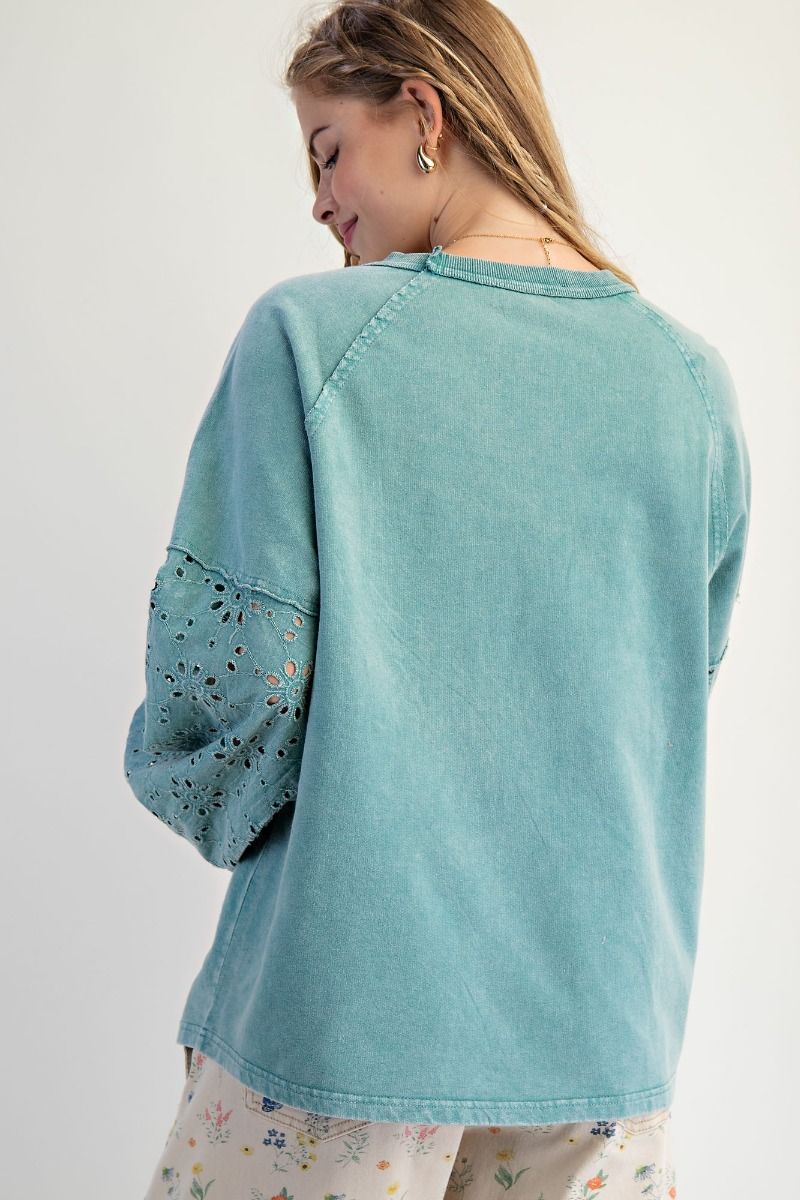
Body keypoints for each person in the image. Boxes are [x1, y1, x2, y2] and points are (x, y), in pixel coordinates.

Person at [125, 1, 751, 1196]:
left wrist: (203, 792)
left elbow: (245, 680)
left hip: (343, 1022)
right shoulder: (691, 383)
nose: (319, 202)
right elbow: (675, 682)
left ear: (422, 110)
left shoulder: (313, 338)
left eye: (326, 152)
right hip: (601, 1034)